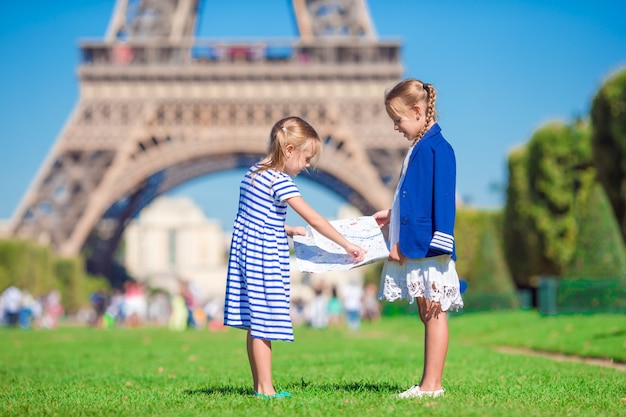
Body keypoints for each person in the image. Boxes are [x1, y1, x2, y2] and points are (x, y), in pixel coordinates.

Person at [223, 116, 366, 399]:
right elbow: (314, 217)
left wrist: (286, 228)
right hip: (265, 258)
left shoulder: (253, 173)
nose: (308, 164)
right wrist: (346, 244)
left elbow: (251, 217)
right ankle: (265, 389)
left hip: (246, 253)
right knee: (264, 323)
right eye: (306, 158)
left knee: (255, 323)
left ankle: (259, 386)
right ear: (289, 150)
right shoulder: (280, 181)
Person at [373, 78, 464, 399]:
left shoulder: (438, 148)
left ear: (416, 110)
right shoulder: (422, 146)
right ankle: (429, 383)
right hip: (421, 244)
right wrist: (392, 214)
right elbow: (413, 197)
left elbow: (442, 200)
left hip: (428, 247)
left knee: (434, 313)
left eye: (397, 119)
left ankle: (432, 385)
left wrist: (439, 244)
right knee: (428, 312)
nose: (395, 126)